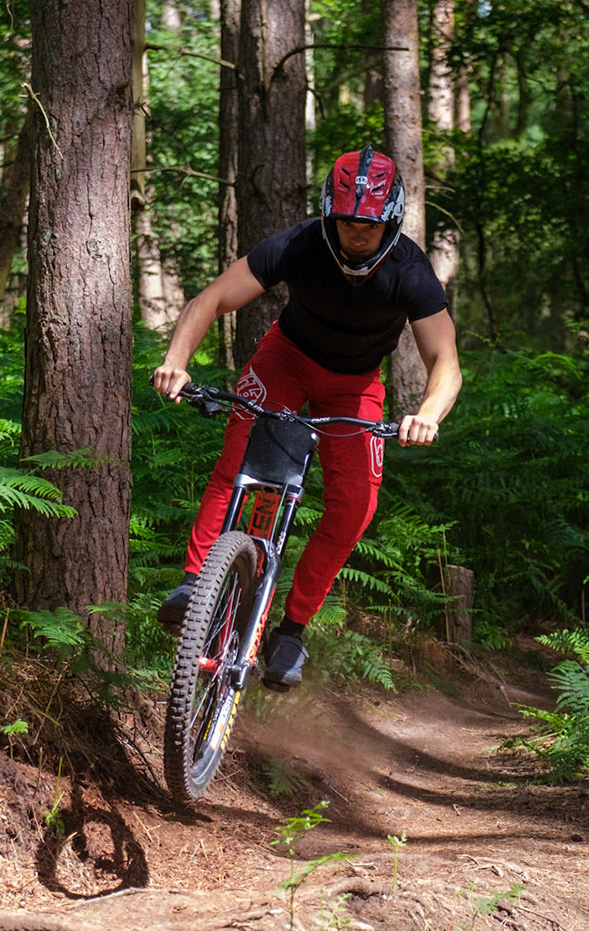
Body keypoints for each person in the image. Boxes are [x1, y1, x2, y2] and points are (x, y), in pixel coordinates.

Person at [150, 146, 462, 691]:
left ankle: (291, 631)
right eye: (346, 222)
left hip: (355, 386)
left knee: (356, 506)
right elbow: (211, 300)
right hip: (287, 360)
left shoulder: (410, 271)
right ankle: (195, 584)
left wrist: (428, 414)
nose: (356, 235)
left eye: (368, 225)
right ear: (328, 214)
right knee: (238, 459)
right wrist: (176, 362)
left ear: (390, 220)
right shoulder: (299, 244)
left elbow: (446, 362)